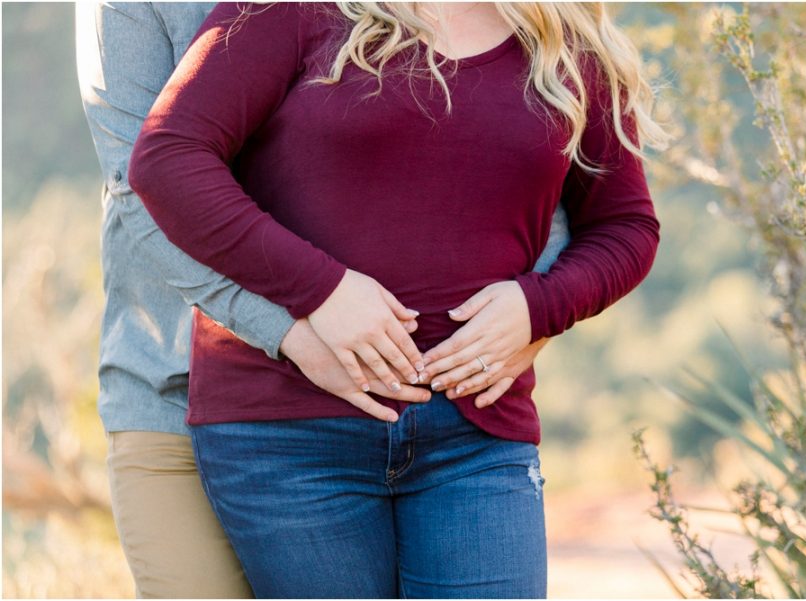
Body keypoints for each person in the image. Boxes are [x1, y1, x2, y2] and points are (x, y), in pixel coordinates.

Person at [130, 1, 665, 598]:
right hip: (286, 436)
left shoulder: (565, 38)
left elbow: (627, 227)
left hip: (475, 431)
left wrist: (539, 306)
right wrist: (321, 289)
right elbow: (168, 158)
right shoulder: (287, 9)